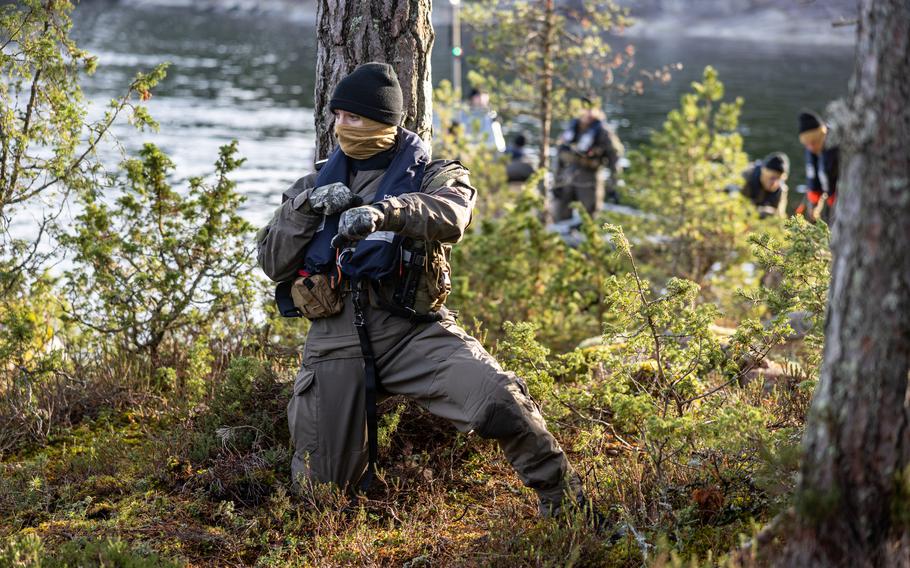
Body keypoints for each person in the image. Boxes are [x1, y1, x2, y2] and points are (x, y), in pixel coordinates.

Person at [256, 63, 596, 523]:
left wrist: (385, 213)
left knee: (499, 399)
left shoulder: (434, 174)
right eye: (336, 116)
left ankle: (570, 510)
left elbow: (454, 215)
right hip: (334, 340)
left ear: (383, 123)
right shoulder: (314, 184)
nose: (341, 126)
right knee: (320, 495)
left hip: (412, 331)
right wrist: (306, 206)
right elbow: (271, 261)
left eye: (353, 117)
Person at [553, 101, 624, 221]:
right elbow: (559, 155)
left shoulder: (603, 132)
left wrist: (614, 185)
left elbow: (615, 159)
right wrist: (556, 182)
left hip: (590, 178)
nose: (587, 113)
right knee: (560, 212)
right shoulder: (572, 128)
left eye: (591, 109)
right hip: (568, 176)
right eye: (584, 109)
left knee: (590, 217)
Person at [794, 111, 840, 224]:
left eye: (813, 143)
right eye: (807, 145)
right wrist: (814, 204)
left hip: (841, 199)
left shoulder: (836, 146)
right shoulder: (812, 150)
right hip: (830, 201)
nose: (811, 148)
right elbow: (813, 180)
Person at [740, 152, 790, 218]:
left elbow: (780, 216)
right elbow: (735, 208)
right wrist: (759, 211)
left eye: (779, 179)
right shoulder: (745, 177)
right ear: (763, 170)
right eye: (772, 178)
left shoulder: (781, 189)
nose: (775, 183)